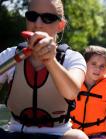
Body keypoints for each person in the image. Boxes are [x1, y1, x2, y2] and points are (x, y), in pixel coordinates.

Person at [0, 0, 88, 139]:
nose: (38, 23)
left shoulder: (73, 58)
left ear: (60, 25)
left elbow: (71, 92)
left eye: (48, 18)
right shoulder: (10, 55)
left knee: (78, 137)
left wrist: (50, 61)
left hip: (57, 134)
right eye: (32, 16)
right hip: (14, 133)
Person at [70, 45, 106, 139]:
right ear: (84, 63)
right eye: (94, 64)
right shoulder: (73, 82)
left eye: (102, 66)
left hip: (97, 135)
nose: (98, 69)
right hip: (72, 132)